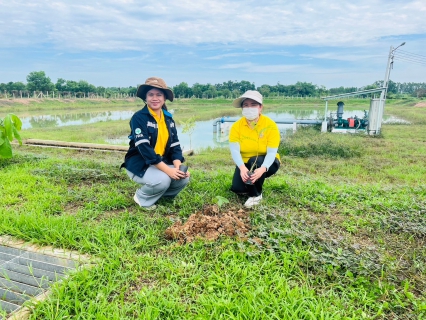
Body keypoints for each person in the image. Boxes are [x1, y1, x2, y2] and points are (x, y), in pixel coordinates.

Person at [121, 77, 190, 210]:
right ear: (145, 98)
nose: (155, 98)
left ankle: (161, 196)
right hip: (140, 163)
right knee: (163, 179)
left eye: (159, 95)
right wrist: (168, 171)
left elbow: (175, 146)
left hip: (160, 161)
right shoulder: (139, 117)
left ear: (164, 98)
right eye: (151, 94)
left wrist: (178, 167)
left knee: (183, 178)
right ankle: (142, 198)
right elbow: (144, 149)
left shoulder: (168, 119)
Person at [229, 90, 281, 208]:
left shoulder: (270, 125)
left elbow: (272, 152)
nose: (249, 108)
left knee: (255, 162)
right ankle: (253, 182)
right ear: (242, 108)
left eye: (253, 105)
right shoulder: (236, 127)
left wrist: (263, 169)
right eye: (246, 105)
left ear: (260, 107)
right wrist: (242, 168)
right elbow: (235, 150)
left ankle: (256, 195)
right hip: (245, 163)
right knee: (238, 189)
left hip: (267, 162)